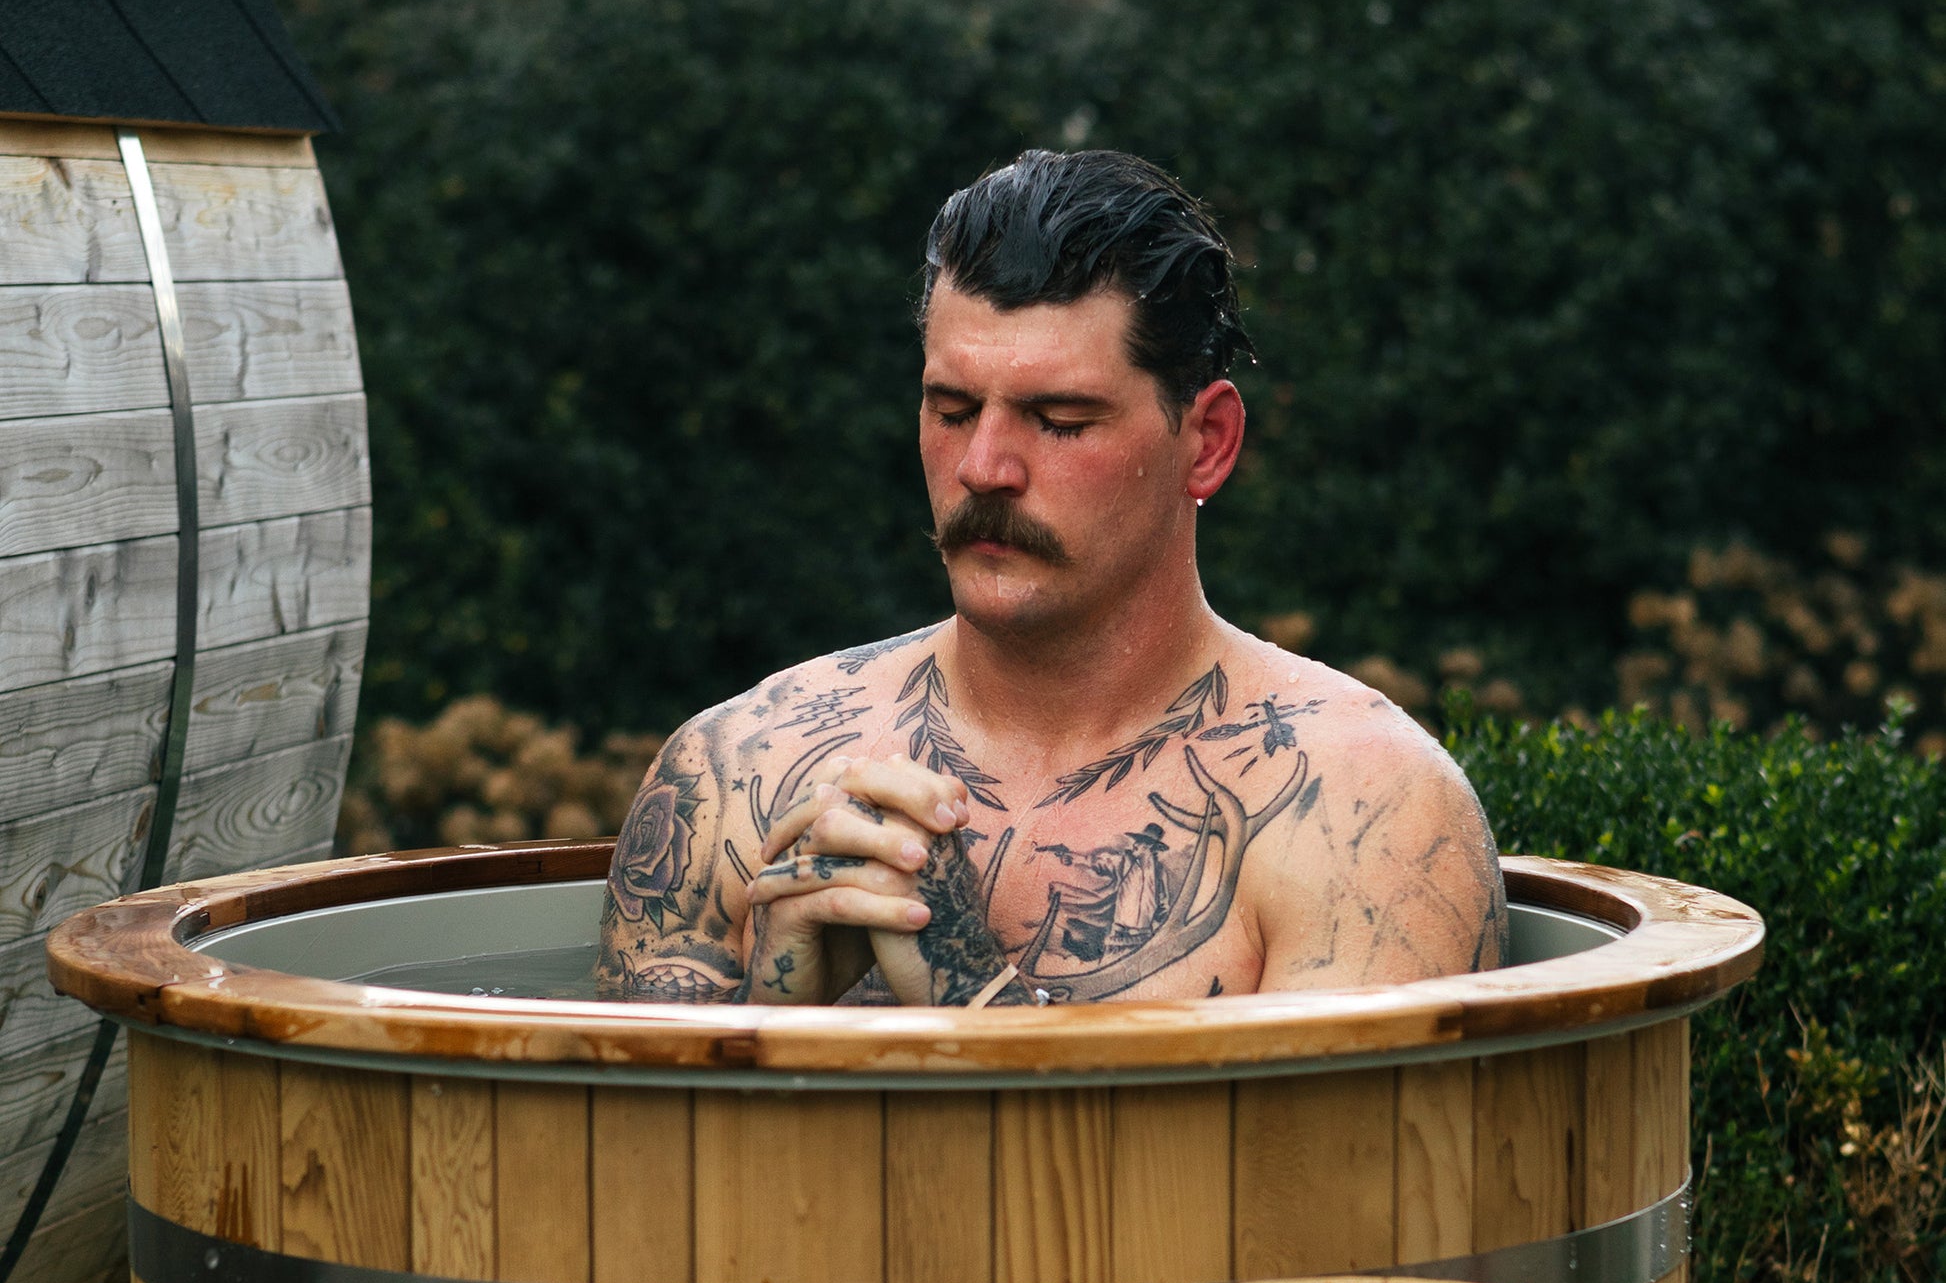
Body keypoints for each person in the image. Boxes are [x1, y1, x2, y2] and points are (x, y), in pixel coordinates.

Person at [597, 149, 1506, 1007]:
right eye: (951, 410)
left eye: (1061, 420)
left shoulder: (1365, 814)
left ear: (1209, 443)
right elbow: (623, 1165)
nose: (985, 466)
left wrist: (968, 990)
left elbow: (1316, 1175)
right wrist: (780, 1015)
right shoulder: (733, 773)